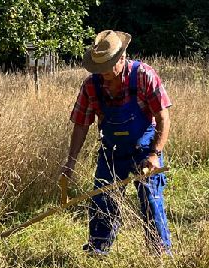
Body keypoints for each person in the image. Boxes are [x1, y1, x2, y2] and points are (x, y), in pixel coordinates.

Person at [61, 30, 172, 256]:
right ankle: (98, 250)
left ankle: (159, 253)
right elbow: (81, 125)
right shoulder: (91, 85)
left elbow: (163, 117)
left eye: (107, 66)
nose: (102, 73)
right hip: (111, 151)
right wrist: (69, 163)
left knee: (150, 198)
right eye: (98, 67)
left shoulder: (143, 76)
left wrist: (154, 154)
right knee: (102, 199)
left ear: (122, 58)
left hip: (144, 148)